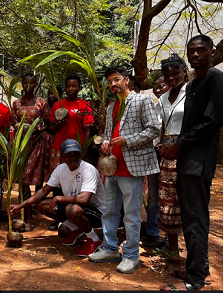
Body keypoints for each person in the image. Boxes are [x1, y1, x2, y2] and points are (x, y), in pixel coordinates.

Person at [159, 35, 223, 291]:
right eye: (191, 50)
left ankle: (195, 281)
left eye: (201, 49)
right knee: (191, 219)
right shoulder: (195, 83)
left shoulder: (215, 78)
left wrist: (180, 144)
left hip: (198, 162)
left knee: (195, 220)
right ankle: (198, 267)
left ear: (212, 51)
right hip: (186, 160)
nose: (196, 54)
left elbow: (212, 121)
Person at [88, 66, 160, 274]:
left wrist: (128, 140)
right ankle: (110, 248)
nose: (113, 85)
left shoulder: (142, 100)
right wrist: (106, 142)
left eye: (116, 80)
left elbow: (153, 129)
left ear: (127, 80)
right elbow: (110, 133)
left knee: (131, 214)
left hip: (132, 167)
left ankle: (131, 255)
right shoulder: (112, 106)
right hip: (112, 167)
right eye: (110, 82)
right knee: (109, 210)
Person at [10, 139, 105, 256]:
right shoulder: (61, 169)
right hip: (77, 208)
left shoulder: (88, 169)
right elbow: (44, 191)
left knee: (72, 209)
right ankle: (76, 230)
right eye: (68, 155)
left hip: (97, 213)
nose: (72, 157)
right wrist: (20, 206)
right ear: (62, 156)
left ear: (81, 155)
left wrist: (59, 198)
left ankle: (94, 239)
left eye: (75, 154)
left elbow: (84, 199)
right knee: (42, 205)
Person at [150, 54, 189, 262]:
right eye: (168, 74)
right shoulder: (163, 99)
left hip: (187, 152)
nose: (172, 77)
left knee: (187, 202)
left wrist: (180, 144)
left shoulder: (191, 93)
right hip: (166, 156)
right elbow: (158, 127)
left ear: (184, 72)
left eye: (176, 73)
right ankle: (172, 250)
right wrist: (158, 146)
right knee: (168, 201)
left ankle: (195, 255)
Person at [10, 73, 52, 231]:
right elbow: (13, 120)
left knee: (34, 180)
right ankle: (26, 215)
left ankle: (31, 211)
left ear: (35, 85)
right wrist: (18, 126)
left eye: (31, 83)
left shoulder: (41, 102)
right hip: (21, 145)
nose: (28, 86)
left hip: (37, 144)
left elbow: (48, 123)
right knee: (24, 179)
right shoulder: (16, 103)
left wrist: (37, 129)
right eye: (25, 82)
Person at [142, 74, 172, 247]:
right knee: (153, 196)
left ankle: (169, 237)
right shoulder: (155, 107)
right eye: (156, 86)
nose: (159, 89)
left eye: (163, 85)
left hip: (170, 154)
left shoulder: (179, 106)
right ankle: (152, 233)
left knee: (169, 196)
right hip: (154, 154)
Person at [49, 76, 94, 173]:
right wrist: (59, 124)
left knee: (75, 179)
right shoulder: (57, 105)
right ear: (65, 88)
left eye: (74, 86)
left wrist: (84, 149)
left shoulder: (85, 105)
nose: (70, 89)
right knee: (57, 180)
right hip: (59, 147)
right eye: (68, 86)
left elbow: (87, 130)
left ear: (79, 88)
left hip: (76, 148)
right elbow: (51, 129)